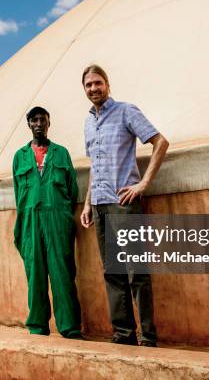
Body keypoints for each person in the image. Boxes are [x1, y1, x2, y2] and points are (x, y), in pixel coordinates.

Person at [79, 64, 169, 347]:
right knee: (112, 272)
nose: (94, 88)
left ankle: (148, 336)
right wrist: (87, 204)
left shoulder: (126, 111)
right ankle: (123, 334)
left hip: (124, 203)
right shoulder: (88, 122)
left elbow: (160, 142)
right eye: (88, 85)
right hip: (100, 205)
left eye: (97, 83)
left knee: (136, 271)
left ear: (107, 83)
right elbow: (94, 165)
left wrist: (143, 184)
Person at [12, 106, 83, 339]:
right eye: (34, 120)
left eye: (42, 119)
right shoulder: (20, 157)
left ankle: (70, 328)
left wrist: (60, 213)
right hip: (31, 222)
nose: (38, 124)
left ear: (49, 123)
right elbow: (17, 193)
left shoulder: (61, 153)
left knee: (62, 274)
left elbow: (72, 190)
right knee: (36, 275)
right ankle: (38, 326)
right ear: (29, 124)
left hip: (57, 221)